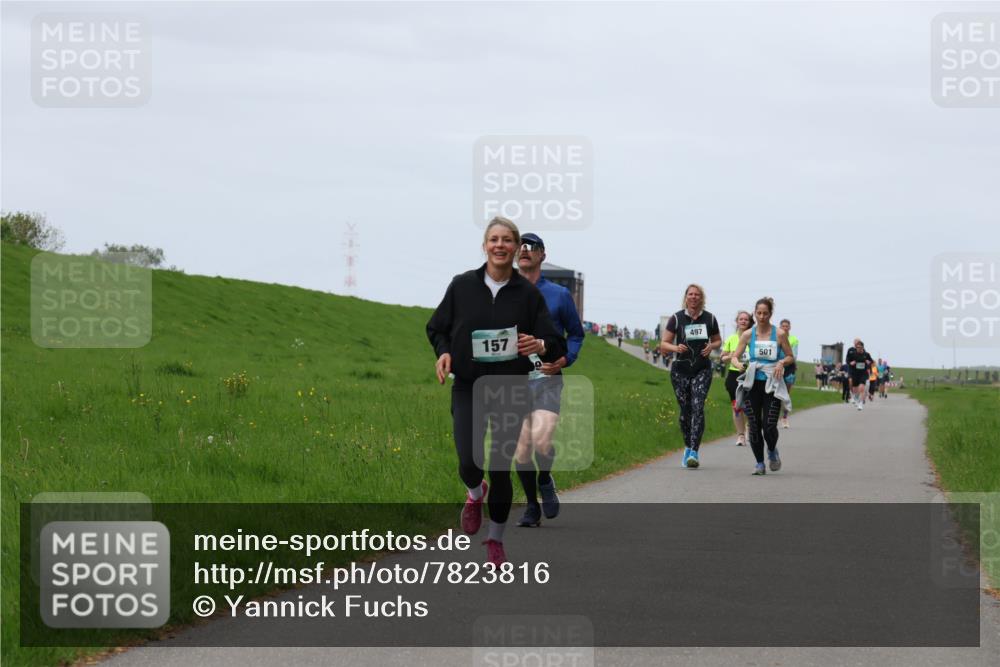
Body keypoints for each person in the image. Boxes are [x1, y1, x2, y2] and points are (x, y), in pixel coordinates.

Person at [426, 217, 566, 564]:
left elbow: (555, 341)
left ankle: (496, 539)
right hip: (469, 385)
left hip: (510, 388)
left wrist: (540, 344)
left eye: (507, 240)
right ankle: (476, 493)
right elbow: (437, 328)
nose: (500, 245)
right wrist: (444, 352)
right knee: (468, 461)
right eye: (494, 239)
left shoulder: (528, 294)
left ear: (516, 247)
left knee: (500, 466)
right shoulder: (462, 286)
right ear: (485, 245)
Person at [511, 233, 585, 528]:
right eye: (520, 246)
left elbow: (576, 334)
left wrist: (565, 360)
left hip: (547, 378)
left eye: (531, 247)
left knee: (541, 442)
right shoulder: (503, 293)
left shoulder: (559, 295)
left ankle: (545, 478)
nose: (524, 250)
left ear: (542, 254)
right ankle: (531, 507)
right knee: (521, 448)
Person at [730, 297, 795, 475]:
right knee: (754, 424)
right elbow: (735, 356)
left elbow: (790, 356)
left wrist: (781, 362)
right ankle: (759, 463)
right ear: (755, 314)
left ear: (770, 314)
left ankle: (772, 450)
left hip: (772, 384)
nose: (761, 316)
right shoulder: (747, 335)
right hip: (752, 384)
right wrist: (738, 364)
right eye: (758, 313)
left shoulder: (779, 334)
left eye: (765, 313)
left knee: (769, 426)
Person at [660, 284, 722, 468]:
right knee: (685, 412)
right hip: (680, 370)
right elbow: (664, 343)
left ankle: (694, 451)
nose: (694, 297)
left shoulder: (710, 318)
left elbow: (718, 340)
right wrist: (675, 348)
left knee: (698, 406)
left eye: (697, 294)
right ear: (686, 297)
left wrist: (711, 346)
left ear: (701, 298)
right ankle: (687, 445)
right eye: (691, 294)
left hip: (702, 369)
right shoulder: (676, 318)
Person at [720, 310, 753, 446]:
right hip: (734, 375)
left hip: (751, 375)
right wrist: (731, 356)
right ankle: (740, 435)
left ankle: (750, 428)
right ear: (737, 322)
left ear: (750, 322)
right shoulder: (731, 339)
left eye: (746, 319)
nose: (743, 321)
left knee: (750, 406)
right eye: (741, 319)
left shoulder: (754, 338)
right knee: (737, 406)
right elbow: (722, 358)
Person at [778, 319, 799, 428]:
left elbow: (794, 355)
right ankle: (774, 416)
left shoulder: (793, 339)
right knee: (775, 393)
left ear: (789, 327)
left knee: (786, 394)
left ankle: (785, 417)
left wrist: (785, 361)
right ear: (780, 327)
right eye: (783, 326)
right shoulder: (776, 337)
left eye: (787, 326)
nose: (785, 328)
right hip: (777, 366)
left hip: (789, 367)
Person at [845, 339, 874, 411]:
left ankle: (860, 403)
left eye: (860, 347)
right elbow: (848, 360)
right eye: (857, 347)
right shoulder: (853, 354)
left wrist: (869, 362)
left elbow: (872, 361)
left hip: (863, 374)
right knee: (855, 390)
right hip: (855, 373)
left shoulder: (866, 354)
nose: (858, 349)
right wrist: (850, 363)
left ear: (862, 347)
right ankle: (855, 397)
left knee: (861, 388)